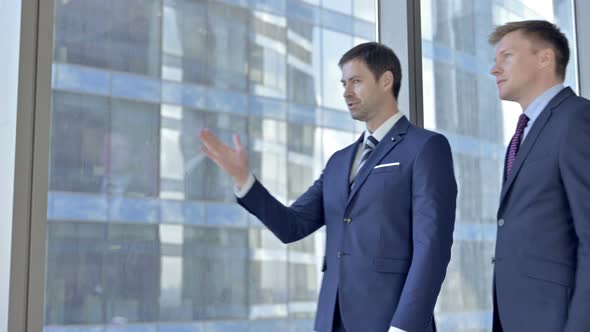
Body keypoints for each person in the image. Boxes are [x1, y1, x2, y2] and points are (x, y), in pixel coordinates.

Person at [200, 42, 457, 332]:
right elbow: (291, 226)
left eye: (356, 82)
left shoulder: (425, 147)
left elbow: (432, 247)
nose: (346, 92)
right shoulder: (339, 161)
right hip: (331, 320)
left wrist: (405, 326)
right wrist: (244, 180)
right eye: (343, 83)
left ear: (386, 80)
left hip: (391, 321)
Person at [489, 20, 590, 332]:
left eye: (506, 56)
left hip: (557, 318)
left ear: (545, 58)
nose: (494, 69)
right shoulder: (523, 133)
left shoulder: (577, 119)